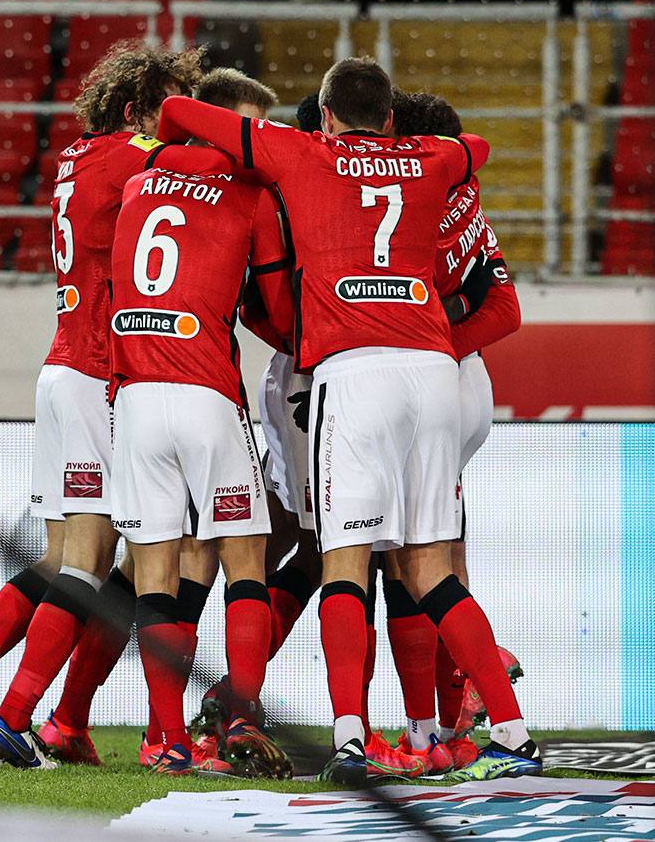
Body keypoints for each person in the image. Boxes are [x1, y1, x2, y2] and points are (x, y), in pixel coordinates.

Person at [155, 57, 542, 784]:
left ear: (327, 115)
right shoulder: (432, 159)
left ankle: (351, 741)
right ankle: (512, 737)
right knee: (432, 566)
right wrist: (410, 154)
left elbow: (180, 115)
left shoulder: (302, 152)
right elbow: (477, 149)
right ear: (390, 119)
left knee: (342, 562)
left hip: (353, 374)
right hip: (435, 372)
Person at [0, 40, 239, 769]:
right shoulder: (136, 156)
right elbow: (217, 170)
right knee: (89, 565)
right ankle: (13, 718)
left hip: (61, 369)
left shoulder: (74, 158)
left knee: (62, 556)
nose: (175, 129)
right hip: (99, 374)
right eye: (167, 115)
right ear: (134, 112)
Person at [109, 68, 298, 776]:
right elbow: (280, 311)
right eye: (246, 127)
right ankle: (241, 715)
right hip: (207, 394)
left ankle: (164, 740)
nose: (254, 142)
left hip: (135, 398)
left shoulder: (138, 179)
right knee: (245, 554)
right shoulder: (253, 193)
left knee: (154, 571)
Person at [377, 90, 525, 774]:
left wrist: (432, 342)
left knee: (408, 563)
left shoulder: (405, 196)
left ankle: (433, 728)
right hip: (466, 381)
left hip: (423, 383)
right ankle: (457, 705)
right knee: (440, 548)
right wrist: (452, 326)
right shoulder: (467, 200)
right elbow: (505, 307)